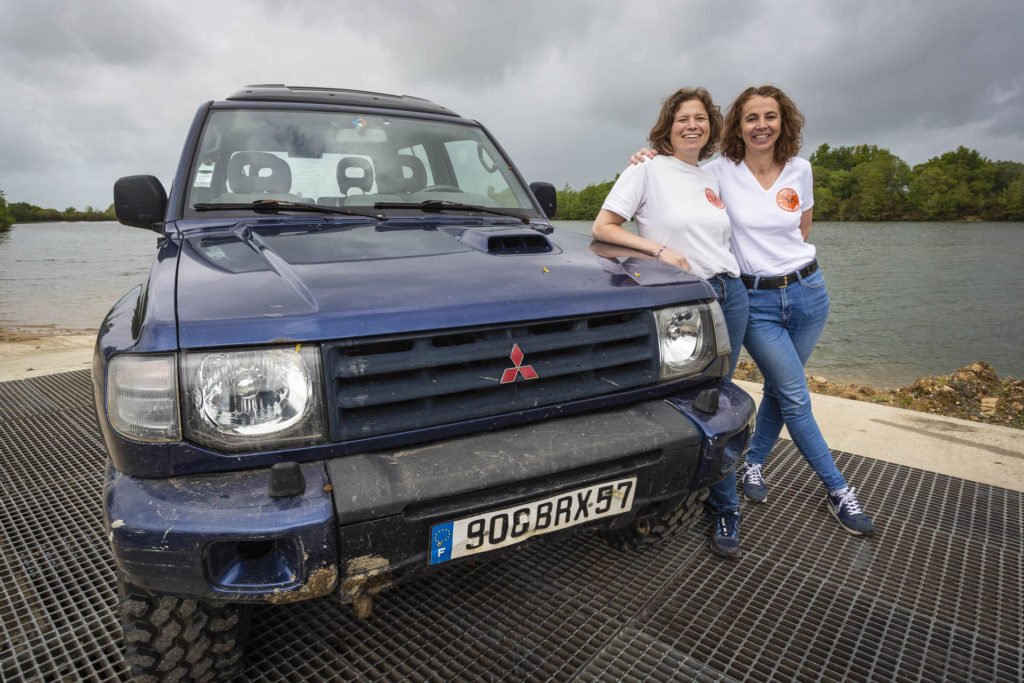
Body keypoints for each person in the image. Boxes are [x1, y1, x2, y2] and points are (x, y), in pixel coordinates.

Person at [632, 85, 875, 537]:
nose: (761, 125)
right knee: (797, 395)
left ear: (784, 122)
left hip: (808, 291)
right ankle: (839, 488)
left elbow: (801, 231)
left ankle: (755, 464)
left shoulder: (800, 170)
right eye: (751, 118)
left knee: (786, 391)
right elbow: (676, 175)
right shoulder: (719, 172)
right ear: (736, 127)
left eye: (771, 116)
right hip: (755, 300)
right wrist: (645, 156)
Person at [592, 87, 749, 558]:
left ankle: (722, 500)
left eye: (700, 118)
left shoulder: (711, 176)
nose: (692, 125)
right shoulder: (646, 168)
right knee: (696, 402)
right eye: (683, 118)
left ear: (711, 127)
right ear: (668, 125)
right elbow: (604, 227)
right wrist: (659, 251)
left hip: (730, 293)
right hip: (683, 301)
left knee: (722, 399)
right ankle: (713, 501)